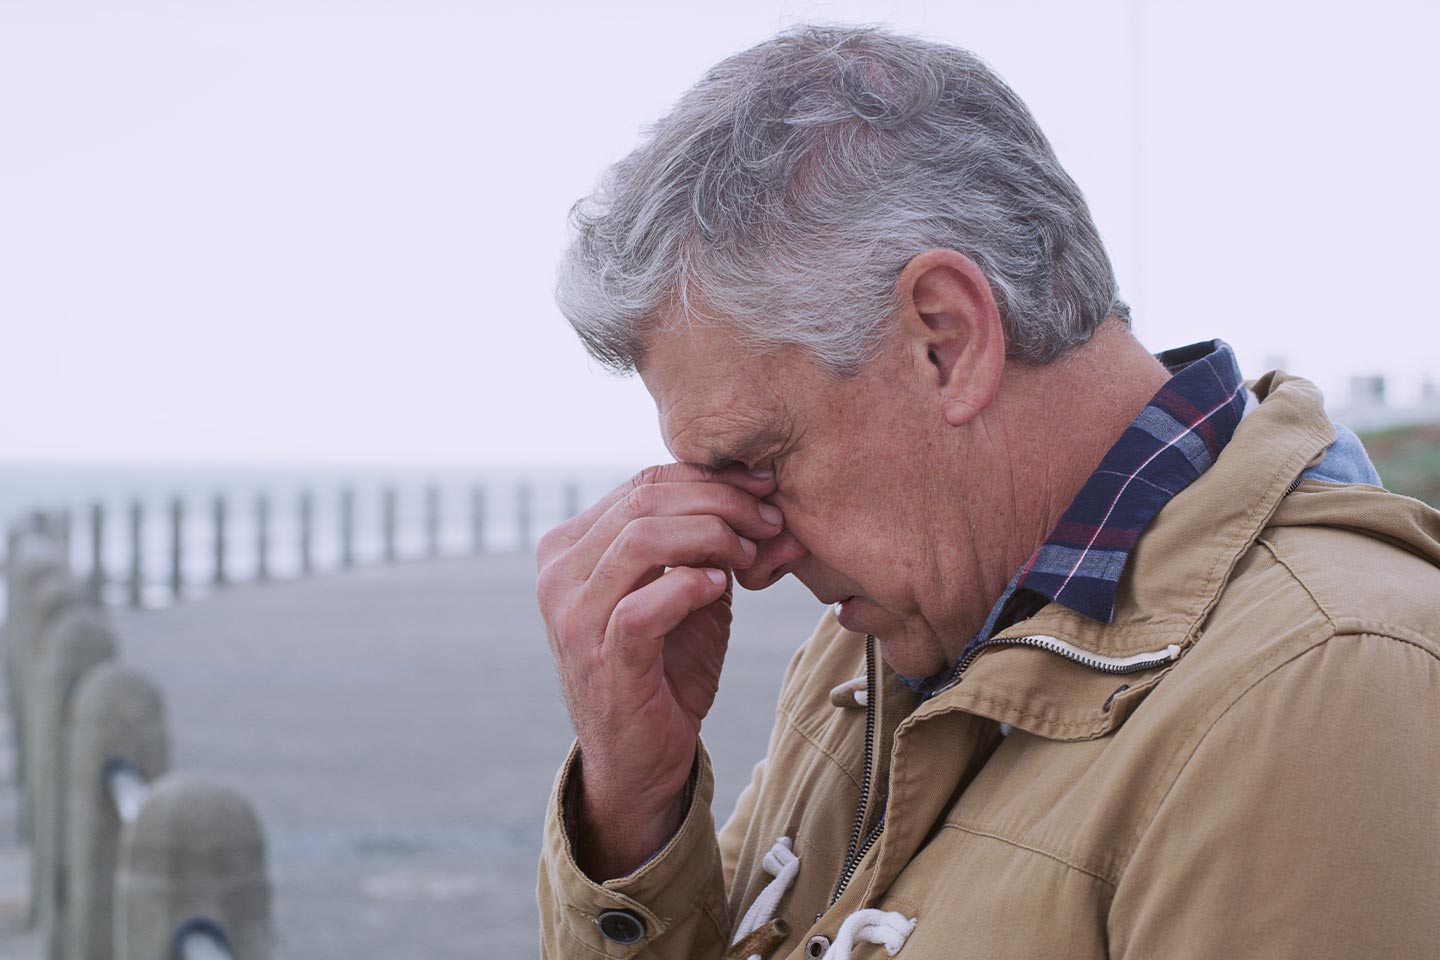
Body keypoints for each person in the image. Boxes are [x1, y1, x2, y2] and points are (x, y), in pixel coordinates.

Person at [534, 25, 1440, 960]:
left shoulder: (1326, 687)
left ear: (948, 337)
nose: (752, 556)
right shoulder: (871, 654)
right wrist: (634, 813)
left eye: (759, 460)